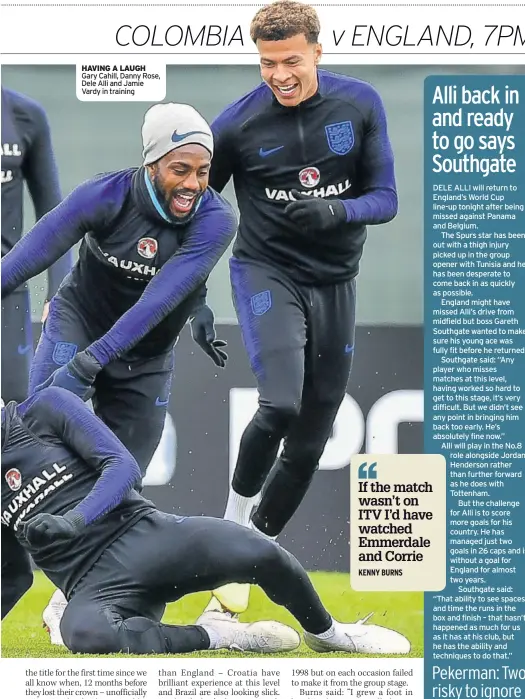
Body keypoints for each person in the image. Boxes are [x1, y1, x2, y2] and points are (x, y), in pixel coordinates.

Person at [1, 101, 237, 643]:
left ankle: (74, 595)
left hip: (145, 355)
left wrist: (92, 364)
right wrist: (79, 356)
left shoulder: (217, 220)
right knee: (31, 447)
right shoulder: (104, 195)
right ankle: (11, 575)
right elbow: (25, 258)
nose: (193, 184)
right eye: (180, 169)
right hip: (75, 323)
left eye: (203, 172)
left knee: (121, 477)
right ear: (152, 162)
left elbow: (157, 302)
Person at [206, 0, 398, 614]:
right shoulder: (235, 125)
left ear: (318, 50)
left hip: (336, 281)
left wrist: (336, 211)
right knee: (281, 402)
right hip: (266, 272)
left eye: (291, 60)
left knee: (313, 436)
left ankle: (249, 558)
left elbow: (386, 198)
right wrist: (187, 299)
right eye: (267, 63)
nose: (279, 74)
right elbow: (195, 213)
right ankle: (232, 526)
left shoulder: (360, 104)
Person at [1, 388, 410, 656]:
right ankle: (222, 635)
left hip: (150, 536)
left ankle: (329, 634)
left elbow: (123, 467)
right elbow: (12, 577)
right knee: (87, 636)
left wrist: (73, 521)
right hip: (95, 585)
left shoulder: (47, 408)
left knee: (259, 552)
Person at [1, 87, 72, 404]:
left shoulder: (24, 116)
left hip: (7, 294)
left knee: (16, 416)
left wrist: (59, 293)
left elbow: (55, 219)